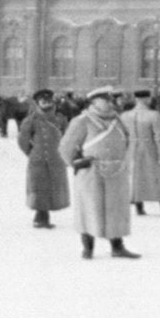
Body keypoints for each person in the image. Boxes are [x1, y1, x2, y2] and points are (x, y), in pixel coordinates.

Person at [58, 86, 140, 259]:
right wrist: (77, 164)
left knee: (116, 210)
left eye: (111, 100)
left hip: (116, 172)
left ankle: (117, 247)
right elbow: (65, 148)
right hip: (91, 173)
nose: (110, 104)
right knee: (89, 209)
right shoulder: (82, 121)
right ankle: (88, 248)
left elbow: (129, 141)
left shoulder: (118, 120)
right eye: (106, 100)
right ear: (94, 102)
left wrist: (124, 161)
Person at [121, 89, 160, 217]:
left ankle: (139, 207)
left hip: (131, 149)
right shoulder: (154, 115)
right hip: (150, 149)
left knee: (136, 178)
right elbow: (159, 136)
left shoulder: (125, 115)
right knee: (159, 178)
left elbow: (122, 136)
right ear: (147, 99)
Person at [17, 88, 70, 228]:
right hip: (38, 160)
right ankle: (41, 217)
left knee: (53, 187)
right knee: (39, 188)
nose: (46, 103)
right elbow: (23, 140)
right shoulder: (31, 120)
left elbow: (68, 138)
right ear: (37, 103)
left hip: (57, 159)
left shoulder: (60, 119)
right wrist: (33, 153)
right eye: (43, 101)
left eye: (48, 100)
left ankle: (43, 216)